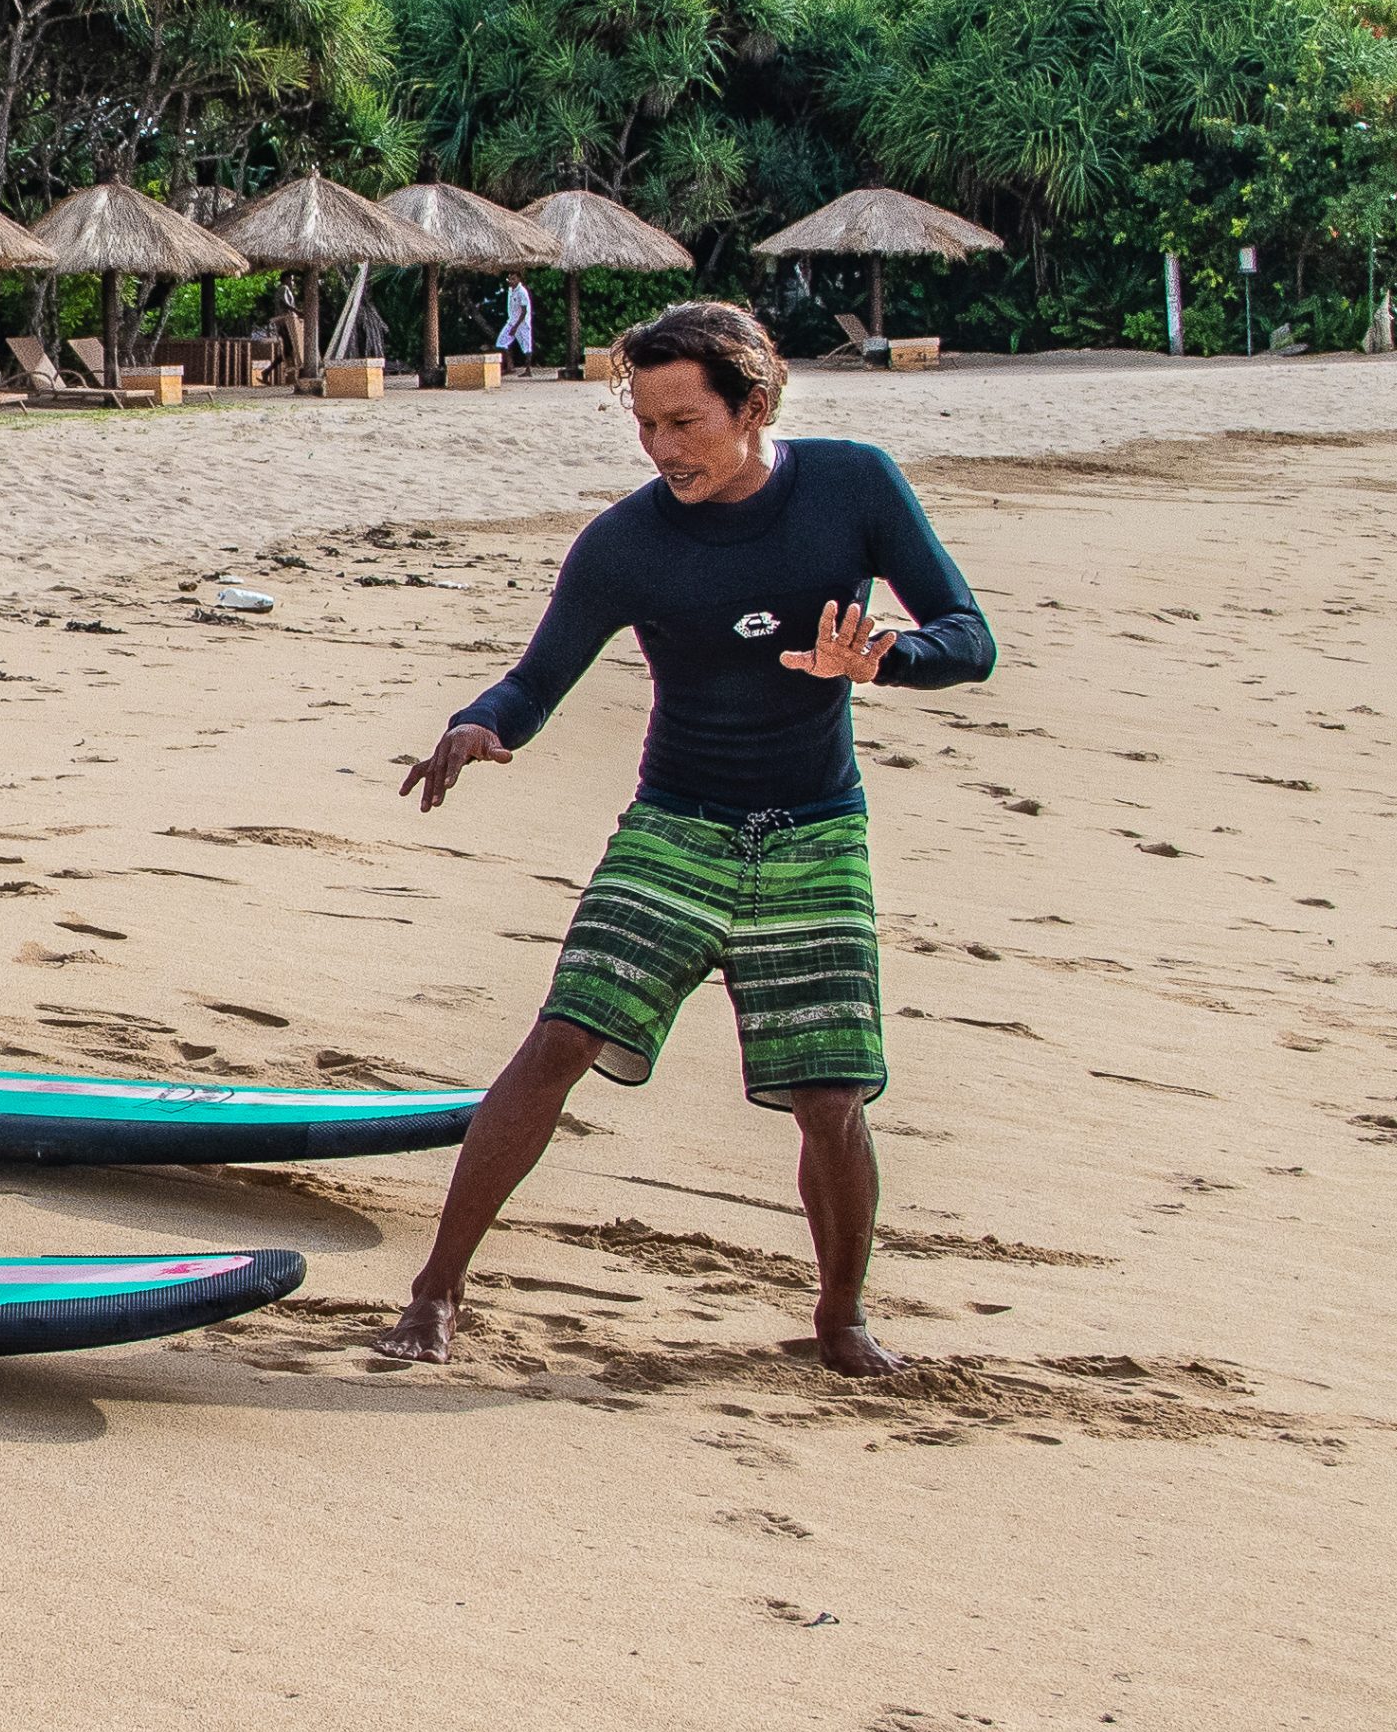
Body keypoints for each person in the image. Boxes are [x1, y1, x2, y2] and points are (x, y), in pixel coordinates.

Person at [375, 300, 995, 1376]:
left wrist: (885, 658)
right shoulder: (627, 543)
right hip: (674, 828)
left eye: (684, 423)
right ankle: (436, 1291)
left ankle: (840, 1318)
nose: (663, 449)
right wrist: (480, 725)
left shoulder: (853, 487)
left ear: (752, 406)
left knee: (831, 1095)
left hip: (814, 836)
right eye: (645, 425)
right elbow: (535, 678)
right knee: (560, 1038)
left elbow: (970, 639)